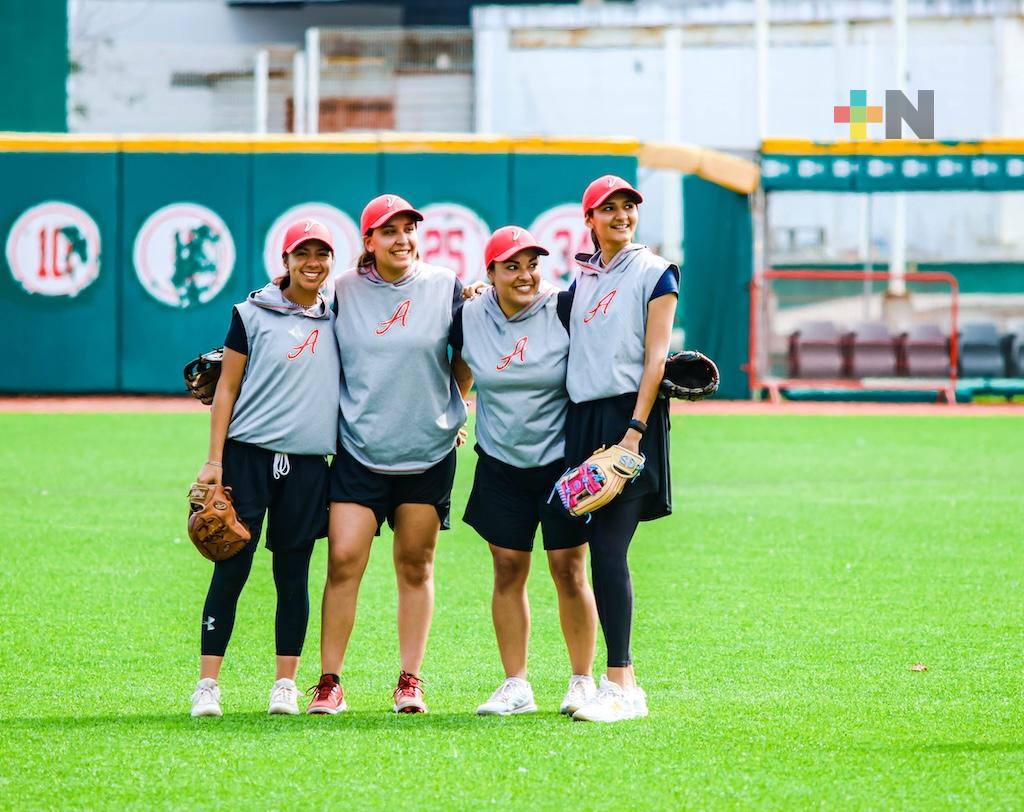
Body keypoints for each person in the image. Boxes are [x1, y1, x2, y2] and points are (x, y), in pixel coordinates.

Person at [307, 194, 471, 715]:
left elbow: (466, 353)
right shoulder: (341, 291)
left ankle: (410, 680)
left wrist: (457, 399)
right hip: (359, 450)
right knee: (343, 559)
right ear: (369, 241)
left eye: (409, 229)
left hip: (427, 451)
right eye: (389, 231)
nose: (402, 238)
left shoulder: (446, 286)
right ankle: (329, 681)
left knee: (416, 566)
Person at [190, 219, 340, 718]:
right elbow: (226, 388)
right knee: (231, 564)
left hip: (307, 464)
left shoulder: (339, 316)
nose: (312, 262)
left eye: (322, 253)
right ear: (286, 261)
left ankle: (285, 685)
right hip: (248, 455)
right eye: (303, 253)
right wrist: (215, 461)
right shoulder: (250, 313)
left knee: (292, 572)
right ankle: (207, 685)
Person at [451, 226, 599, 716]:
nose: (524, 275)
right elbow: (460, 370)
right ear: (489, 273)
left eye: (531, 264)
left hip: (561, 464)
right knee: (508, 569)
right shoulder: (469, 314)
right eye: (511, 266)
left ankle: (582, 680)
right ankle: (516, 685)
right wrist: (457, 412)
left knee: (569, 570)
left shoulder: (563, 309)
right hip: (500, 462)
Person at [563, 175, 678, 723]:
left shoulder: (655, 272)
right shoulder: (582, 279)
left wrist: (633, 431)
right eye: (608, 208)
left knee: (609, 548)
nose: (621, 215)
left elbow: (656, 359)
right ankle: (612, 683)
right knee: (580, 550)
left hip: (630, 421)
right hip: (583, 422)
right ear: (589, 219)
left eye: (628, 207)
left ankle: (622, 684)